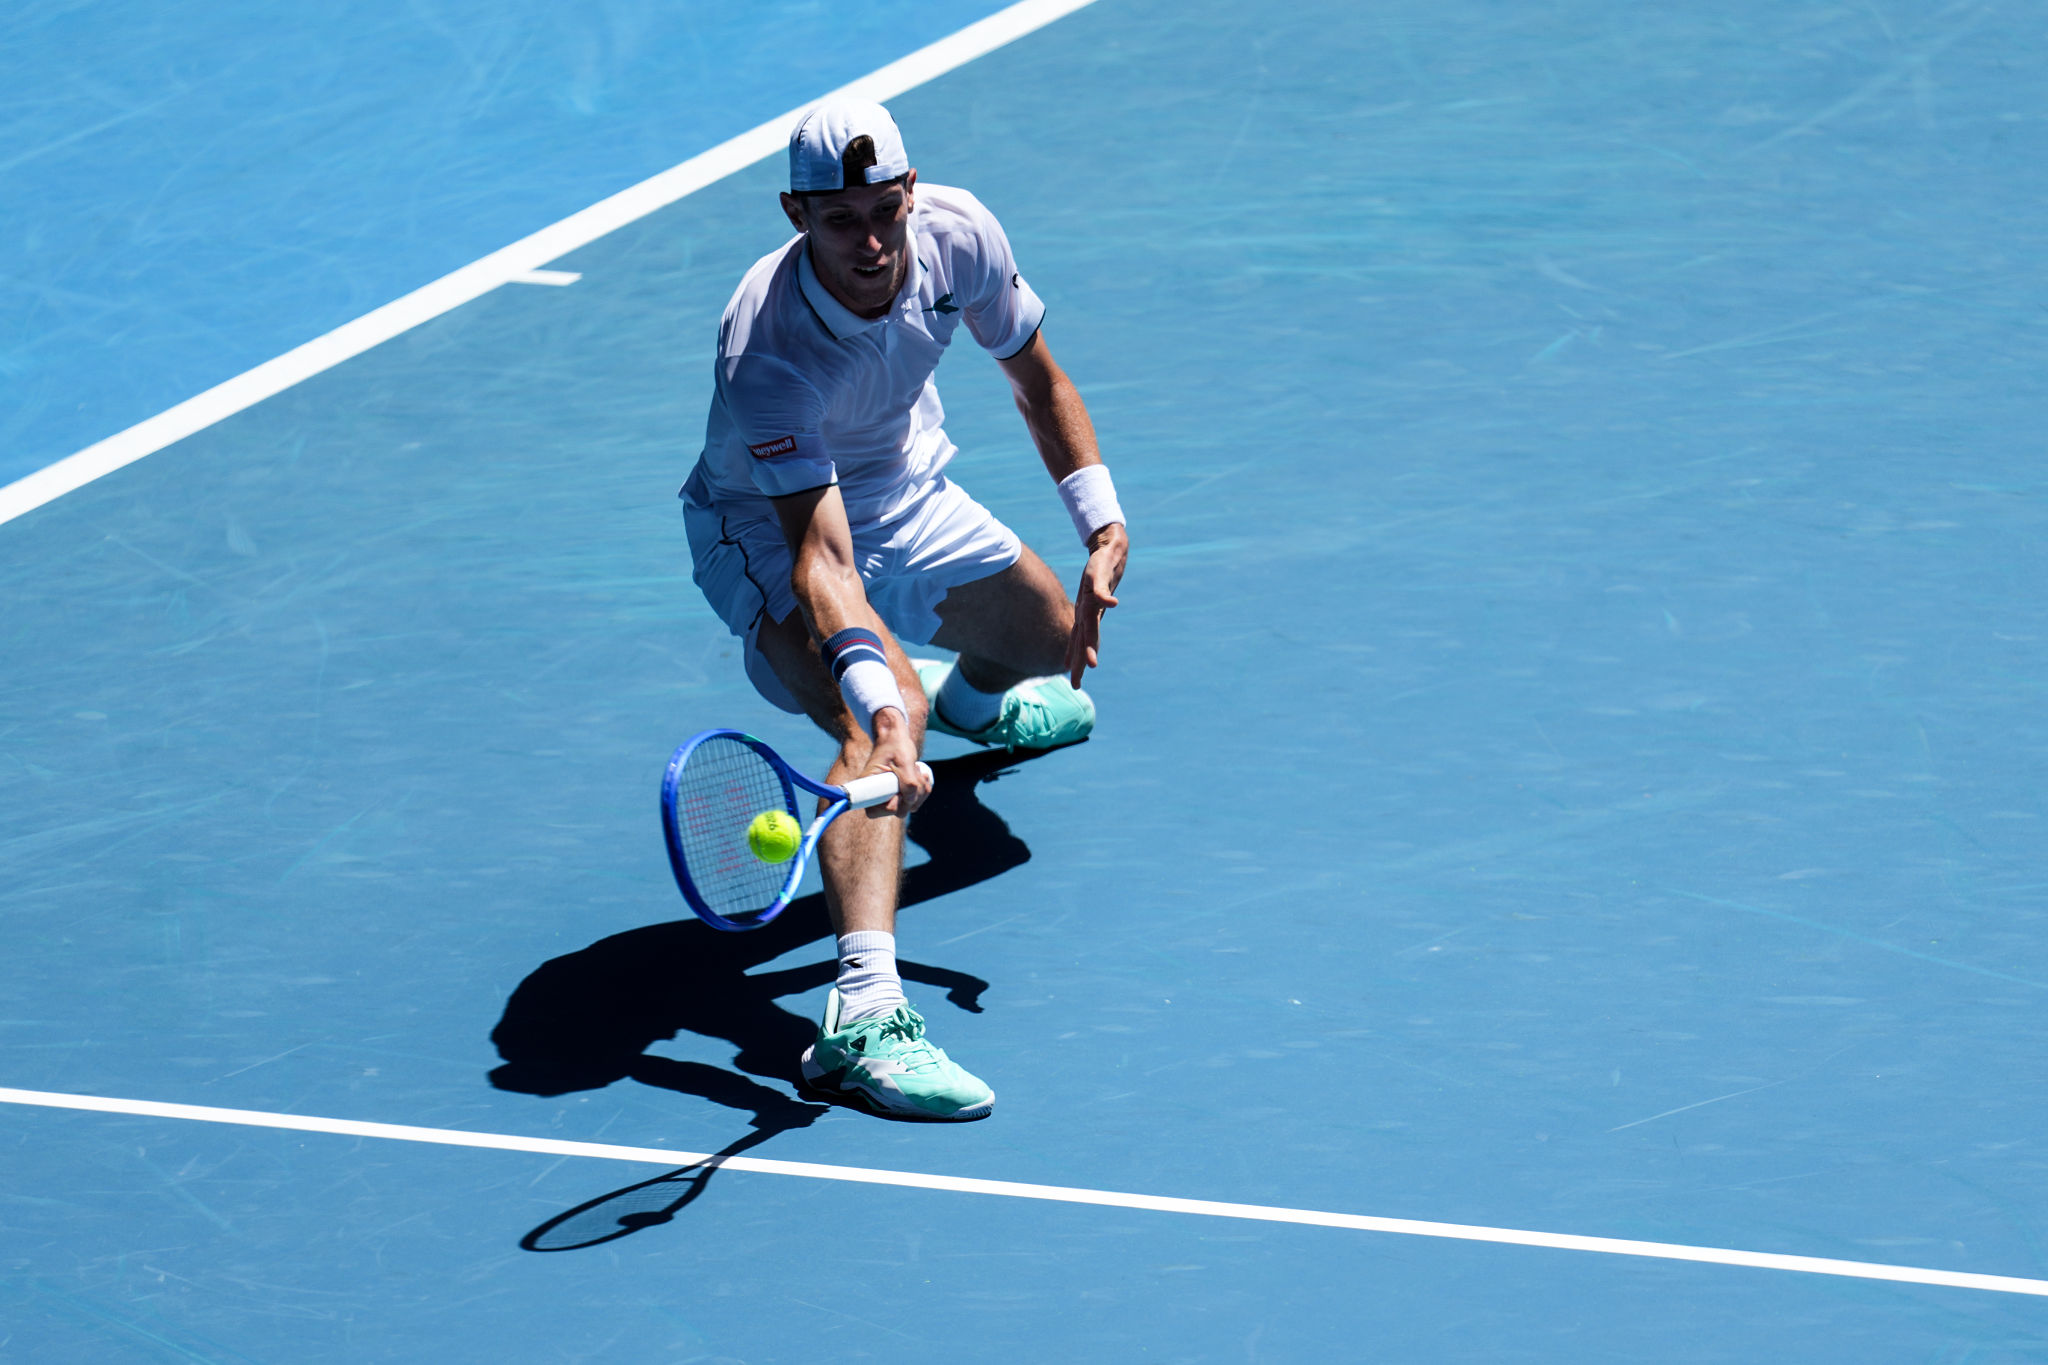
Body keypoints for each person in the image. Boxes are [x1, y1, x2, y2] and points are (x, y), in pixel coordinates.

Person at [679, 98, 1128, 1121]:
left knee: (1049, 640)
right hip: (769, 525)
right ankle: (861, 1019)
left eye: (887, 210)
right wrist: (879, 701)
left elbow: (1035, 380)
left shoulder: (959, 235)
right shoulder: (766, 341)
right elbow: (822, 559)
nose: (873, 242)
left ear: (912, 194)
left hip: (903, 489)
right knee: (872, 735)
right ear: (796, 214)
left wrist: (1099, 523)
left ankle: (969, 704)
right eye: (842, 221)